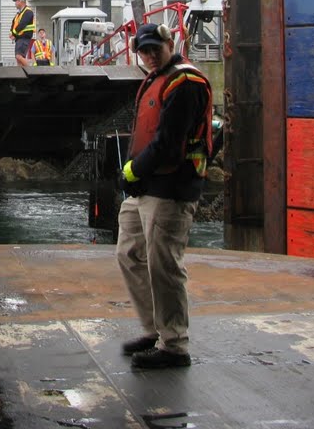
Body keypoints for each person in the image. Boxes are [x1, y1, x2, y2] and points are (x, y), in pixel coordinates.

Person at [116, 22, 212, 369]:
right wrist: (134, 171)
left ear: (171, 44)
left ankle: (174, 345)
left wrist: (132, 170)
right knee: (129, 254)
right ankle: (153, 329)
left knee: (164, 265)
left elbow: (169, 143)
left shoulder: (186, 83)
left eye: (156, 48)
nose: (150, 55)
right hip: (145, 187)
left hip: (171, 189)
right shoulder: (155, 80)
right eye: (144, 50)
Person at [9, 0, 35, 67]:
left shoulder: (28, 12)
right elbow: (14, 22)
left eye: (16, 1)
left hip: (24, 38)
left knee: (18, 56)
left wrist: (13, 34)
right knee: (19, 60)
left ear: (21, 1)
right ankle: (22, 76)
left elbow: (22, 24)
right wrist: (11, 32)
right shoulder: (19, 13)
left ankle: (31, 71)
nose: (15, 3)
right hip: (19, 38)